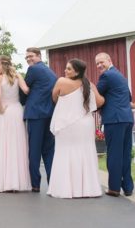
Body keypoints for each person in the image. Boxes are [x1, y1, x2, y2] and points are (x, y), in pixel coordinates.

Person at [47, 59, 104, 198]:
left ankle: (66, 188)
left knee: (65, 153)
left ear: (77, 72)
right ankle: (87, 189)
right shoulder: (88, 85)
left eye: (69, 69)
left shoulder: (61, 81)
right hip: (85, 123)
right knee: (85, 153)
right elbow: (100, 101)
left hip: (68, 124)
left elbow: (54, 97)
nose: (65, 71)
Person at [0, 55, 31, 193]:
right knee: (16, 145)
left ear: (4, 65)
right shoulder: (17, 75)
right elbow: (26, 90)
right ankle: (17, 181)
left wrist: (0, 108)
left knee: (4, 144)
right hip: (17, 110)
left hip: (4, 111)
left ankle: (3, 181)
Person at [95, 52, 134, 197]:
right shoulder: (120, 76)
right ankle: (128, 187)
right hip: (127, 119)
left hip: (114, 120)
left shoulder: (106, 76)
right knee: (125, 154)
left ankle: (114, 188)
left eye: (101, 62)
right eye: (97, 63)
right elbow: (129, 97)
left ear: (109, 60)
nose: (99, 65)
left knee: (114, 154)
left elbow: (97, 96)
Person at [19, 47, 57, 192]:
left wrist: (20, 102)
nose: (29, 59)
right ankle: (52, 181)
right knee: (48, 150)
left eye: (31, 56)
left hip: (36, 114)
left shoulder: (33, 70)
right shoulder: (50, 71)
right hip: (49, 114)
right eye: (27, 57)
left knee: (34, 150)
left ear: (39, 56)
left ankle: (35, 184)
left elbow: (25, 89)